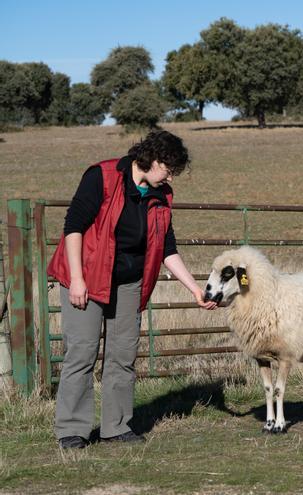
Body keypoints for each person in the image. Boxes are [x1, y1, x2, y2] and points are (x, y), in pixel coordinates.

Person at [48, 130, 217, 449]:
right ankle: (72, 430)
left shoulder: (162, 195)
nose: (170, 176)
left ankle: (116, 427)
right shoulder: (103, 176)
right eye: (168, 169)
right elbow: (74, 227)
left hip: (128, 281)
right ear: (154, 159)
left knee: (122, 355)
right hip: (86, 274)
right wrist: (77, 278)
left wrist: (194, 288)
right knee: (81, 352)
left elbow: (167, 248)